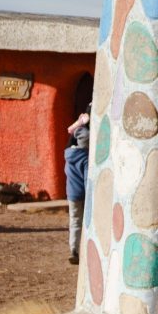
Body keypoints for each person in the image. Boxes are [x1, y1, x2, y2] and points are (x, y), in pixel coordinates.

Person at [64, 113, 90, 265]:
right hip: (83, 194)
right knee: (87, 221)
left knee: (74, 221)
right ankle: (86, 251)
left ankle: (74, 249)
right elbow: (88, 178)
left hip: (71, 194)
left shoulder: (68, 156)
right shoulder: (85, 158)